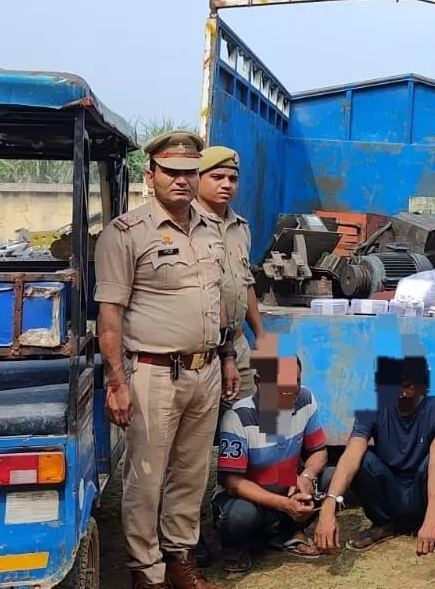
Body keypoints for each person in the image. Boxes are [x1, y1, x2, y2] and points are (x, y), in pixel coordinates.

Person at [95, 129, 241, 589]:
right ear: (151, 173)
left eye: (189, 172)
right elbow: (110, 318)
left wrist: (229, 355)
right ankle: (147, 571)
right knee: (145, 476)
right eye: (172, 172)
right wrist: (116, 383)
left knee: (192, 473)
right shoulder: (125, 234)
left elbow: (217, 301)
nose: (181, 180)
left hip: (207, 369)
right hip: (154, 373)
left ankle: (180, 558)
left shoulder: (212, 230)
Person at [194, 145, 264, 567]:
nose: (226, 185)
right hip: (203, 348)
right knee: (197, 447)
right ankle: (193, 534)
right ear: (198, 179)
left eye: (232, 179)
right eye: (217, 177)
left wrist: (263, 339)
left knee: (252, 432)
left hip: (237, 345)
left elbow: (246, 284)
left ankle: (248, 522)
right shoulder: (190, 225)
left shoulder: (240, 227)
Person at [314, 357, 435, 556]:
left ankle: (432, 526)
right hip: (389, 493)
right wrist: (328, 507)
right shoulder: (371, 408)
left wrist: (433, 518)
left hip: (421, 492)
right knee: (361, 459)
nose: (400, 393)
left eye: (407, 386)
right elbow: (351, 455)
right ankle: (383, 524)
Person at [212, 355, 330, 572]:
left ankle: (287, 532)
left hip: (284, 483)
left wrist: (306, 476)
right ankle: (236, 547)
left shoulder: (305, 398)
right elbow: (233, 483)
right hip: (249, 495)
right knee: (240, 516)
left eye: (295, 379)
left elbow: (319, 452)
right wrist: (284, 504)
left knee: (331, 478)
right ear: (259, 383)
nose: (291, 388)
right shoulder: (238, 417)